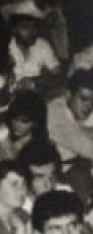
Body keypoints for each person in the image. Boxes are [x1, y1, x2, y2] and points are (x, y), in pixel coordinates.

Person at [46, 69, 93, 204]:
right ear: (68, 94)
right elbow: (87, 148)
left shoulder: (69, 106)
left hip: (76, 166)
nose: (89, 106)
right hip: (55, 174)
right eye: (84, 99)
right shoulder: (55, 113)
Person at [0, 90, 49, 161]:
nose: (17, 125)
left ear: (36, 123)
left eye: (24, 121)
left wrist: (0, 147)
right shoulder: (4, 132)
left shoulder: (38, 145)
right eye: (15, 119)